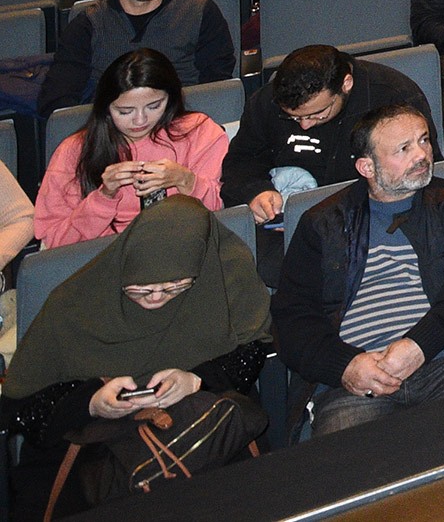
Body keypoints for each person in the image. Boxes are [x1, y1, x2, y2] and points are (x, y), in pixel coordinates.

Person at [272, 103, 444, 432]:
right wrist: (344, 366)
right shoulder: (321, 224)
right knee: (343, 455)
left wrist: (419, 345)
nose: (421, 154)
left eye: (424, 140)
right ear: (367, 167)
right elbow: (293, 318)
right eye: (404, 148)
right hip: (359, 378)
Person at [5, 197, 273, 482]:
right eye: (141, 290)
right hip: (97, 458)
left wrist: (196, 381)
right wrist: (91, 402)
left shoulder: (225, 277)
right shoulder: (72, 306)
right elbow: (22, 409)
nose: (156, 298)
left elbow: (249, 354)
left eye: (175, 287)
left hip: (202, 435)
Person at [36, 49, 232, 246]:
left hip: (183, 245)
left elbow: (224, 210)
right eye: (125, 111)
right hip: (108, 257)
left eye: (154, 106)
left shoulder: (198, 131)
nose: (140, 120)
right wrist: (104, 196)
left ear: (171, 98)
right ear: (105, 109)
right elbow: (55, 241)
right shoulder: (75, 150)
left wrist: (185, 180)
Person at [220, 44, 431, 224]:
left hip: (376, 213)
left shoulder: (392, 96)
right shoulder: (266, 102)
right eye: (294, 118)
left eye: (317, 114)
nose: (305, 125)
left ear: (346, 85)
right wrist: (256, 192)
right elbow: (240, 162)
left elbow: (422, 169)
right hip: (291, 216)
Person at [40, 0, 237, 113]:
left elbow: (216, 89)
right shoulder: (88, 24)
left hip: (183, 125)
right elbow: (59, 99)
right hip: (112, 131)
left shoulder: (199, 11)